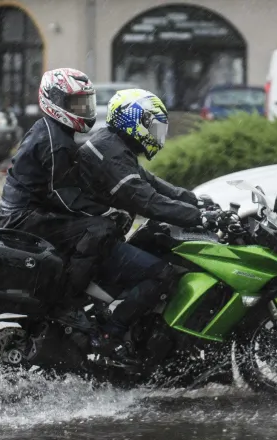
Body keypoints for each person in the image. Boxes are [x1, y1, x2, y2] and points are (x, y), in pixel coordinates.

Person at [70, 88, 220, 370]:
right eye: (151, 126)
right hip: (91, 242)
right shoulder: (109, 152)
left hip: (97, 235)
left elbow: (153, 184)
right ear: (133, 120)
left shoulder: (114, 145)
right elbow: (146, 200)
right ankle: (110, 333)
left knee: (156, 243)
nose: (155, 134)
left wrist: (198, 202)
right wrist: (198, 217)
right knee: (161, 273)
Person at [0, 68, 130, 332]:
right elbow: (64, 195)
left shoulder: (52, 129)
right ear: (55, 101)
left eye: (85, 102)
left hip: (25, 209)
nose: (83, 109)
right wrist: (107, 210)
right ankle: (66, 302)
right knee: (98, 229)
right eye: (76, 103)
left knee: (93, 224)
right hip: (24, 216)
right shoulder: (56, 141)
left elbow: (67, 184)